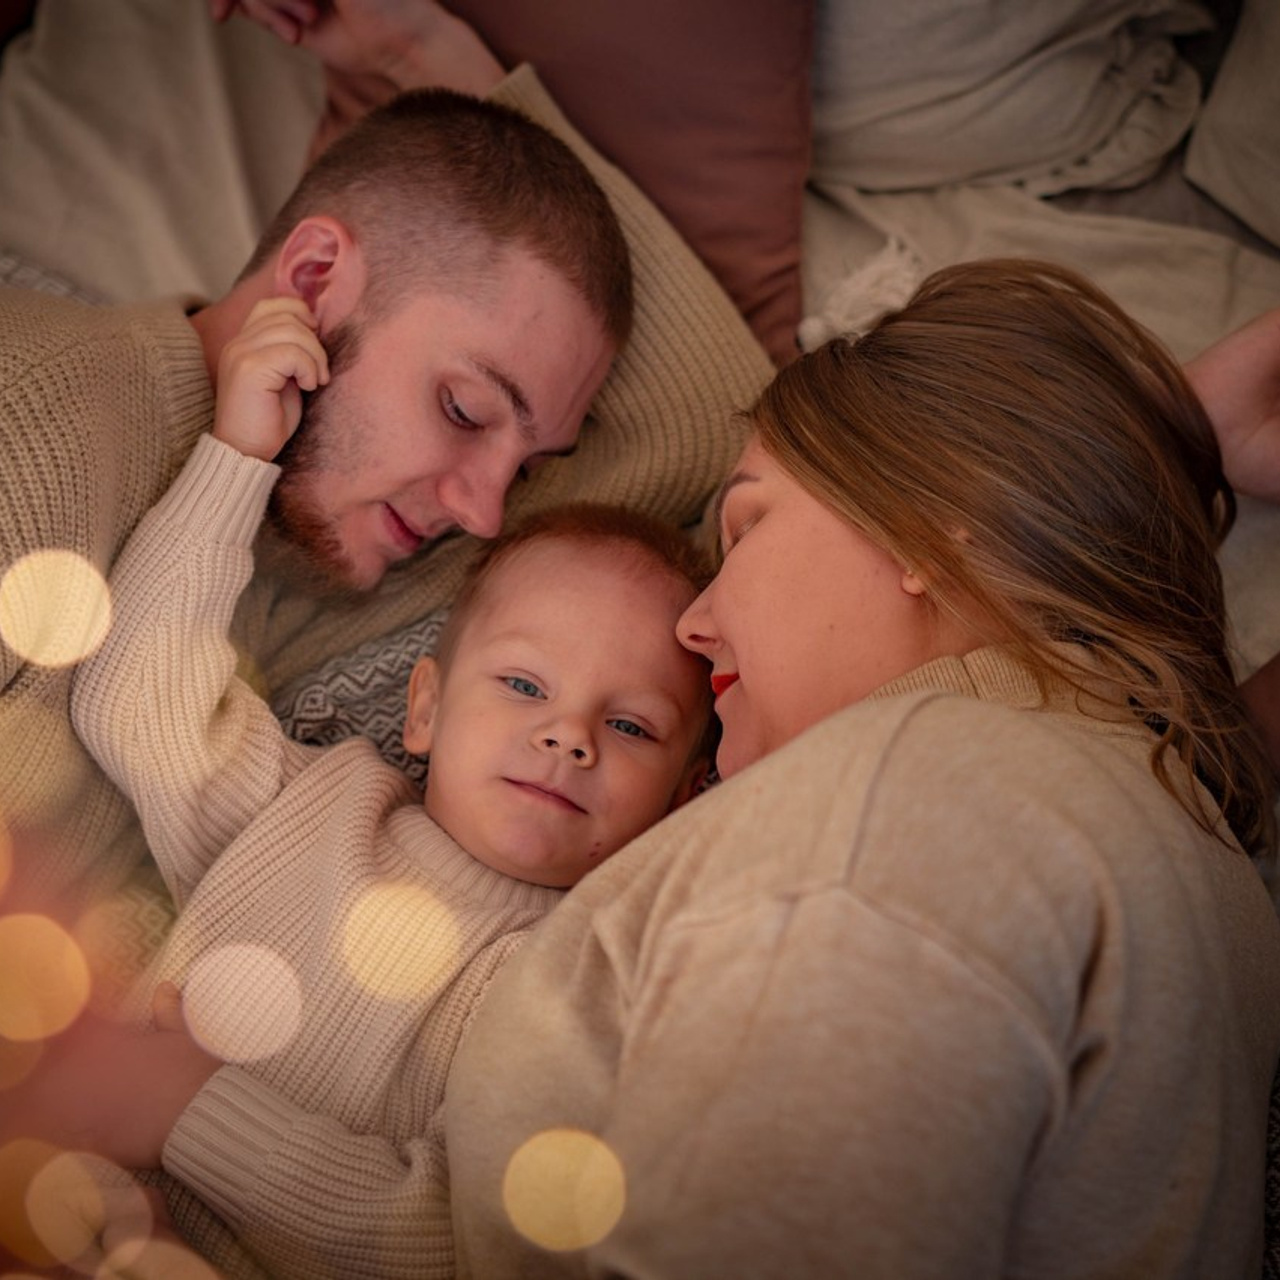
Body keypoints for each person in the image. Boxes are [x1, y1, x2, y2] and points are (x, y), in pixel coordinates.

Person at [433, 259, 1280, 1277]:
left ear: (920, 524)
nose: (693, 624)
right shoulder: (1190, 843)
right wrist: (1166, 439)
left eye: (745, 527)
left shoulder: (898, 803)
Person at [0, 2, 771, 920]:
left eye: (528, 468)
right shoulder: (33, 414)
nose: (485, 514)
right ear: (313, 281)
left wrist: (422, 55)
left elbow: (716, 419)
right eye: (464, 409)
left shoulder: (352, 546)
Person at [1, 299, 713, 1279]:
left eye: (629, 726)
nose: (567, 735)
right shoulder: (319, 802)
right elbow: (141, 701)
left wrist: (184, 1105)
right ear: (424, 710)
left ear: (683, 801)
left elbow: (454, 1236)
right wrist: (235, 459)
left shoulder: (576, 987)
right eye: (522, 685)